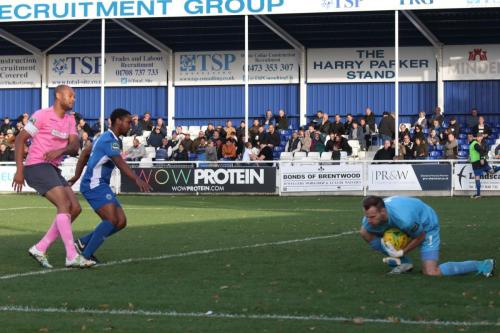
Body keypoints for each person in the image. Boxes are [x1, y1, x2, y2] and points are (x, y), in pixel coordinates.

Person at [11, 85, 94, 268]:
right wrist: (19, 169)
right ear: (58, 95)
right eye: (70, 95)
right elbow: (20, 139)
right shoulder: (41, 115)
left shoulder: (70, 120)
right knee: (64, 205)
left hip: (53, 168)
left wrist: (61, 150)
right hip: (36, 165)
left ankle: (40, 247)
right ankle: (71, 255)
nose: (73, 99)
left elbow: (74, 146)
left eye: (74, 96)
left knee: (75, 208)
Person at [68, 108, 151, 262]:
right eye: (128, 122)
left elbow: (85, 153)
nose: (130, 126)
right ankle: (85, 256)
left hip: (100, 185)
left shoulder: (104, 137)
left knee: (120, 222)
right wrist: (137, 179)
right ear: (118, 121)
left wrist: (77, 176)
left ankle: (82, 242)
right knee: (112, 220)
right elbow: (120, 163)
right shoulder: (109, 140)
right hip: (94, 185)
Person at [360, 195, 495, 277]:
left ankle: (483, 265)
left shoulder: (405, 219)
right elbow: (367, 229)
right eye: (367, 216)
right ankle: (405, 263)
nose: (369, 220)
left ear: (382, 211)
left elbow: (420, 236)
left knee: (431, 272)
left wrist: (401, 251)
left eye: (372, 216)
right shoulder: (370, 219)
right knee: (365, 232)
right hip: (400, 223)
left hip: (426, 225)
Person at [469, 133, 499, 199]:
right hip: (479, 162)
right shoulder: (474, 144)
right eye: (480, 137)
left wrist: (481, 159)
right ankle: (478, 194)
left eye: (481, 138)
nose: (481, 139)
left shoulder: (474, 144)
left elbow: (481, 151)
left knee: (477, 177)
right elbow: (480, 151)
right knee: (492, 171)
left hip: (477, 163)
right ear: (477, 137)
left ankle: (478, 194)